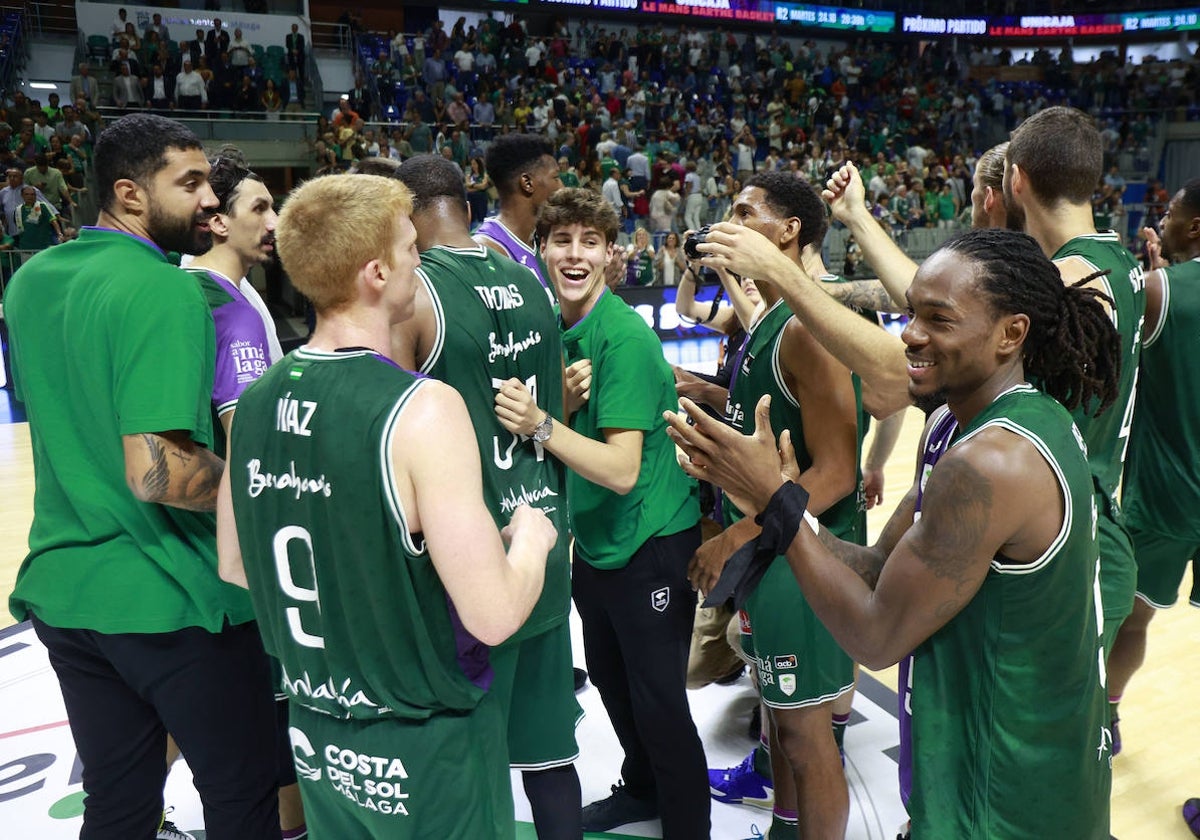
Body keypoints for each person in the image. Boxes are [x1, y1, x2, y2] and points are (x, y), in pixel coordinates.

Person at [669, 227, 1121, 839]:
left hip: (1007, 798)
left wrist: (776, 500)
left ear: (1011, 334)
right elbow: (880, 566)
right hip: (983, 768)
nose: (909, 334)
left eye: (938, 319)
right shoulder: (973, 424)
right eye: (911, 313)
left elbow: (876, 638)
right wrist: (777, 503)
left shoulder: (993, 460)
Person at [217, 172, 557, 838]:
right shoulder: (423, 410)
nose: (419, 262)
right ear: (376, 272)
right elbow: (492, 614)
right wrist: (535, 538)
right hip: (424, 739)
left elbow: (236, 565)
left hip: (319, 735)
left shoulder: (256, 400)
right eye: (410, 250)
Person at [3, 112, 280, 838]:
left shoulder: (31, 282)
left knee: (121, 804)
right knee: (242, 795)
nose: (210, 203)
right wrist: (270, 493)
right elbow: (158, 472)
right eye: (189, 185)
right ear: (129, 194)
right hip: (171, 600)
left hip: (68, 594)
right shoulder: (166, 291)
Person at [494, 188, 708, 838]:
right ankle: (642, 790)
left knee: (661, 704)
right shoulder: (555, 330)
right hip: (598, 547)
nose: (575, 253)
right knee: (616, 690)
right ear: (543, 250)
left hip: (652, 546)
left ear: (612, 255)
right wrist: (553, 410)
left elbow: (618, 470)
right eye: (562, 240)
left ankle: (688, 826)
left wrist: (539, 423)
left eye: (590, 241)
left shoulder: (623, 337)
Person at [391, 154, 583, 839]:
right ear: (466, 210)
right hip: (543, 541)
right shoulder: (530, 281)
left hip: (468, 568)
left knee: (468, 767)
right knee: (550, 758)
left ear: (400, 220)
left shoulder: (416, 296)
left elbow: (391, 435)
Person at [694, 172, 862, 840]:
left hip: (804, 561)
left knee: (807, 738)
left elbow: (839, 472)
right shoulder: (767, 321)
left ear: (788, 230)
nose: (726, 220)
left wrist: (735, 537)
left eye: (744, 211)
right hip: (775, 554)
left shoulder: (808, 326)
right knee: (784, 730)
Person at [1004, 106, 1148, 729]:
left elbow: (936, 321)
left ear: (1017, 180)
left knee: (1038, 734)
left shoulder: (1073, 276)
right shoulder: (1126, 268)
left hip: (1066, 536)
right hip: (1096, 513)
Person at [1106, 179, 1200, 749]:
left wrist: (1160, 279)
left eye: (1171, 211)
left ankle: (1106, 717)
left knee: (1128, 619)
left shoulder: (1160, 292)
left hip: (1165, 497)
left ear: (1194, 227)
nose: (1160, 217)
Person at [474, 133, 560, 290]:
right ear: (527, 183)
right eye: (556, 177)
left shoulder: (539, 244)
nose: (562, 187)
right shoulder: (487, 253)